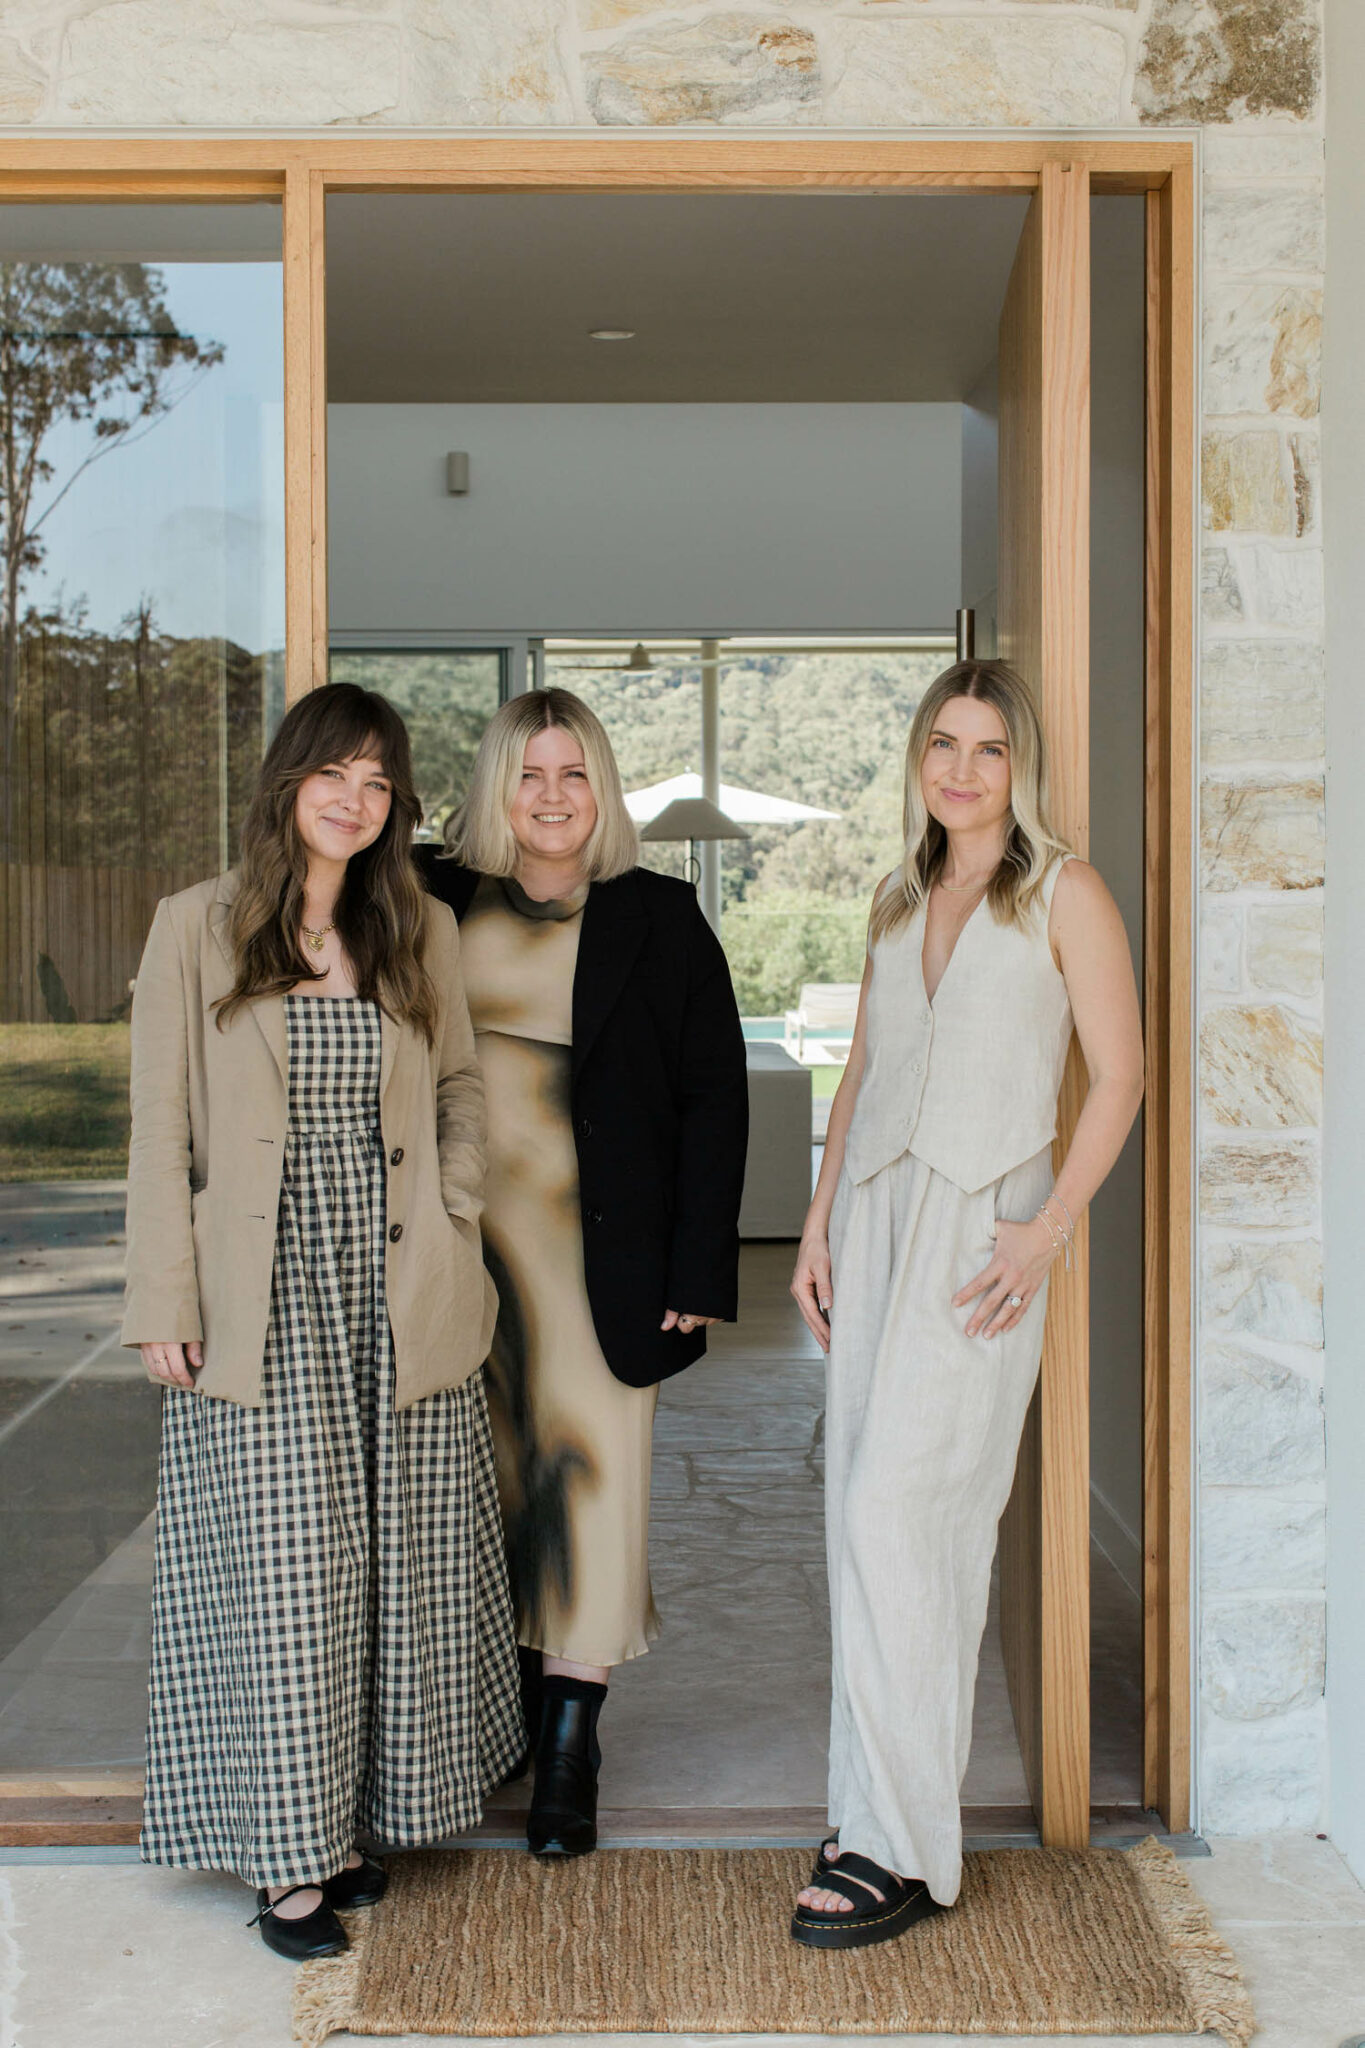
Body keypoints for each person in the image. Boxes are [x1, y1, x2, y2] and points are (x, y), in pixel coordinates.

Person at [123, 682, 523, 1962]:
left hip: (399, 1293)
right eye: (334, 775)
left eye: (379, 782)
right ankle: (287, 1861)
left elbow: (461, 1081)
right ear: (287, 780)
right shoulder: (195, 927)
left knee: (394, 1570)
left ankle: (356, 1824)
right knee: (289, 1573)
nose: (356, 801)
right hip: (265, 1300)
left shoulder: (412, 927)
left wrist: (458, 1201)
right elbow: (159, 1133)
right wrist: (161, 1300)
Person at [788, 659, 1144, 1950]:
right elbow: (864, 1070)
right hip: (877, 1215)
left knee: (908, 1519)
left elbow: (1120, 1073)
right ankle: (870, 1808)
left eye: (987, 749)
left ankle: (899, 1845)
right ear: (917, 759)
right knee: (855, 1518)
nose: (960, 769)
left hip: (983, 1229)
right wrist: (818, 1224)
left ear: (1018, 767)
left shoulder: (1065, 891)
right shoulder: (896, 895)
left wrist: (1047, 1230)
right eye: (942, 743)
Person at [417, 686, 748, 1859]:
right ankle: (499, 1717)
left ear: (601, 791)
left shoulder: (659, 916)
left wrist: (700, 1264)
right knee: (482, 1487)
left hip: (600, 1254)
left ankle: (570, 1746)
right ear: (496, 788)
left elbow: (714, 1096)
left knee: (591, 1488)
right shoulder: (428, 896)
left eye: (575, 774)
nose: (553, 797)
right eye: (530, 773)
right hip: (454, 1250)